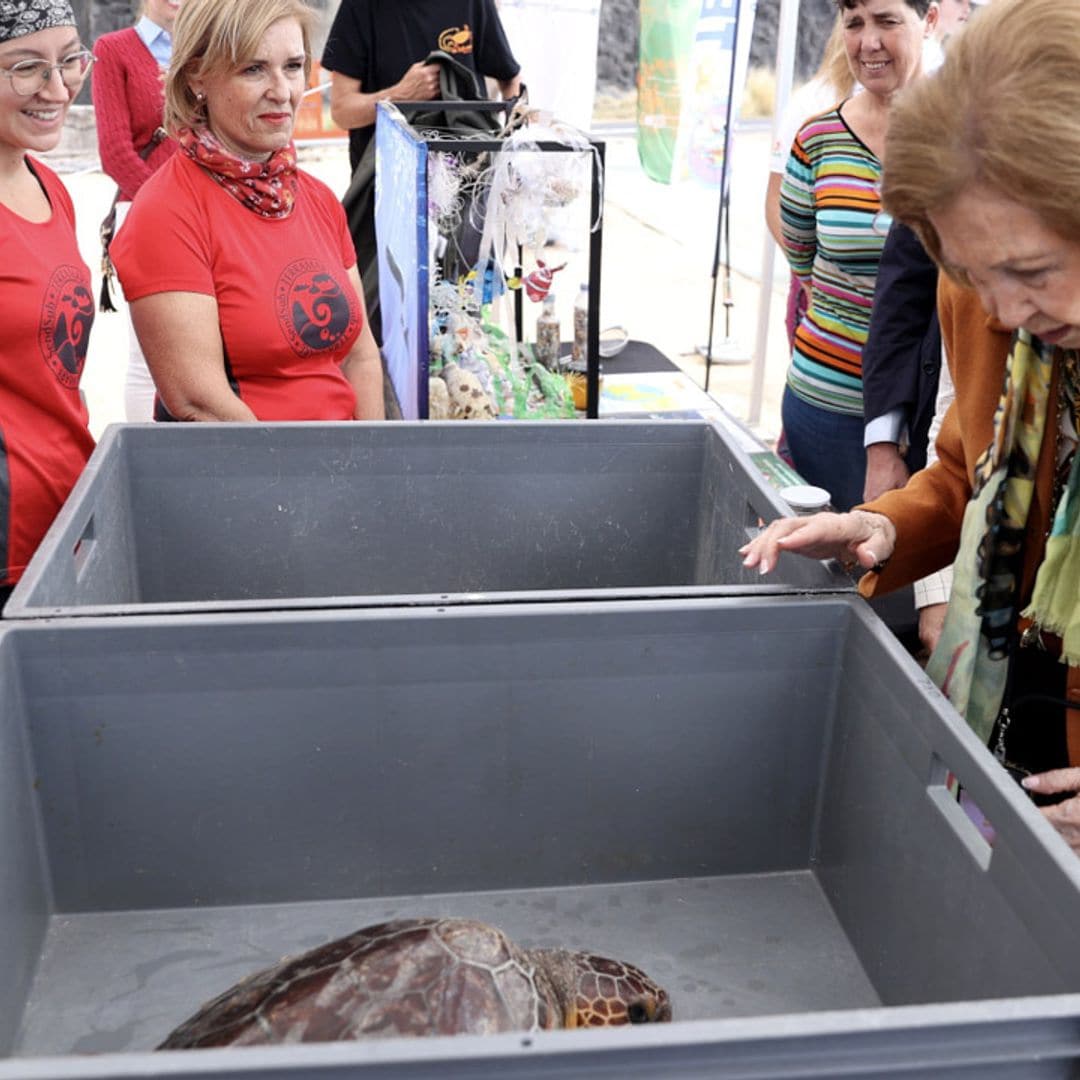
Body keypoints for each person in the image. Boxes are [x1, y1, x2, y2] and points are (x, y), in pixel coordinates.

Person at [741, 0, 1080, 853]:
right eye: (970, 273)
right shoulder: (988, 299)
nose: (1003, 311)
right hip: (1025, 687)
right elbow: (973, 471)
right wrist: (875, 526)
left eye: (1030, 270)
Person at [110, 0, 385, 423]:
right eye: (253, 69)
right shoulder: (166, 213)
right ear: (198, 75)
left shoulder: (316, 198)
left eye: (293, 66)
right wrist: (307, 482)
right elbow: (201, 404)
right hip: (251, 476)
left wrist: (369, 471)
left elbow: (360, 357)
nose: (282, 91)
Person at [777, 0, 937, 512]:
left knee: (910, 579)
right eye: (854, 24)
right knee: (828, 574)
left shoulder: (963, 137)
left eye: (888, 21)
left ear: (929, 20)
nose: (869, 42)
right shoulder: (817, 139)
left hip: (928, 411)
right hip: (827, 401)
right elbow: (802, 259)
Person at [321, 0, 521, 341]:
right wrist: (398, 95)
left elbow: (510, 80)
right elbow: (342, 110)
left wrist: (512, 142)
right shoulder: (362, 8)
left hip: (463, 202)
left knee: (459, 327)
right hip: (386, 200)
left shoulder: (473, 4)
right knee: (388, 330)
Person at [0, 0, 96, 606]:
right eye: (27, 67)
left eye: (68, 62)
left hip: (65, 524)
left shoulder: (49, 184)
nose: (57, 88)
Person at [91, 0, 181, 422]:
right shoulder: (114, 49)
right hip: (147, 213)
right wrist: (166, 208)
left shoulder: (209, 48)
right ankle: (149, 463)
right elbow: (114, 152)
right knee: (148, 356)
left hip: (212, 214)